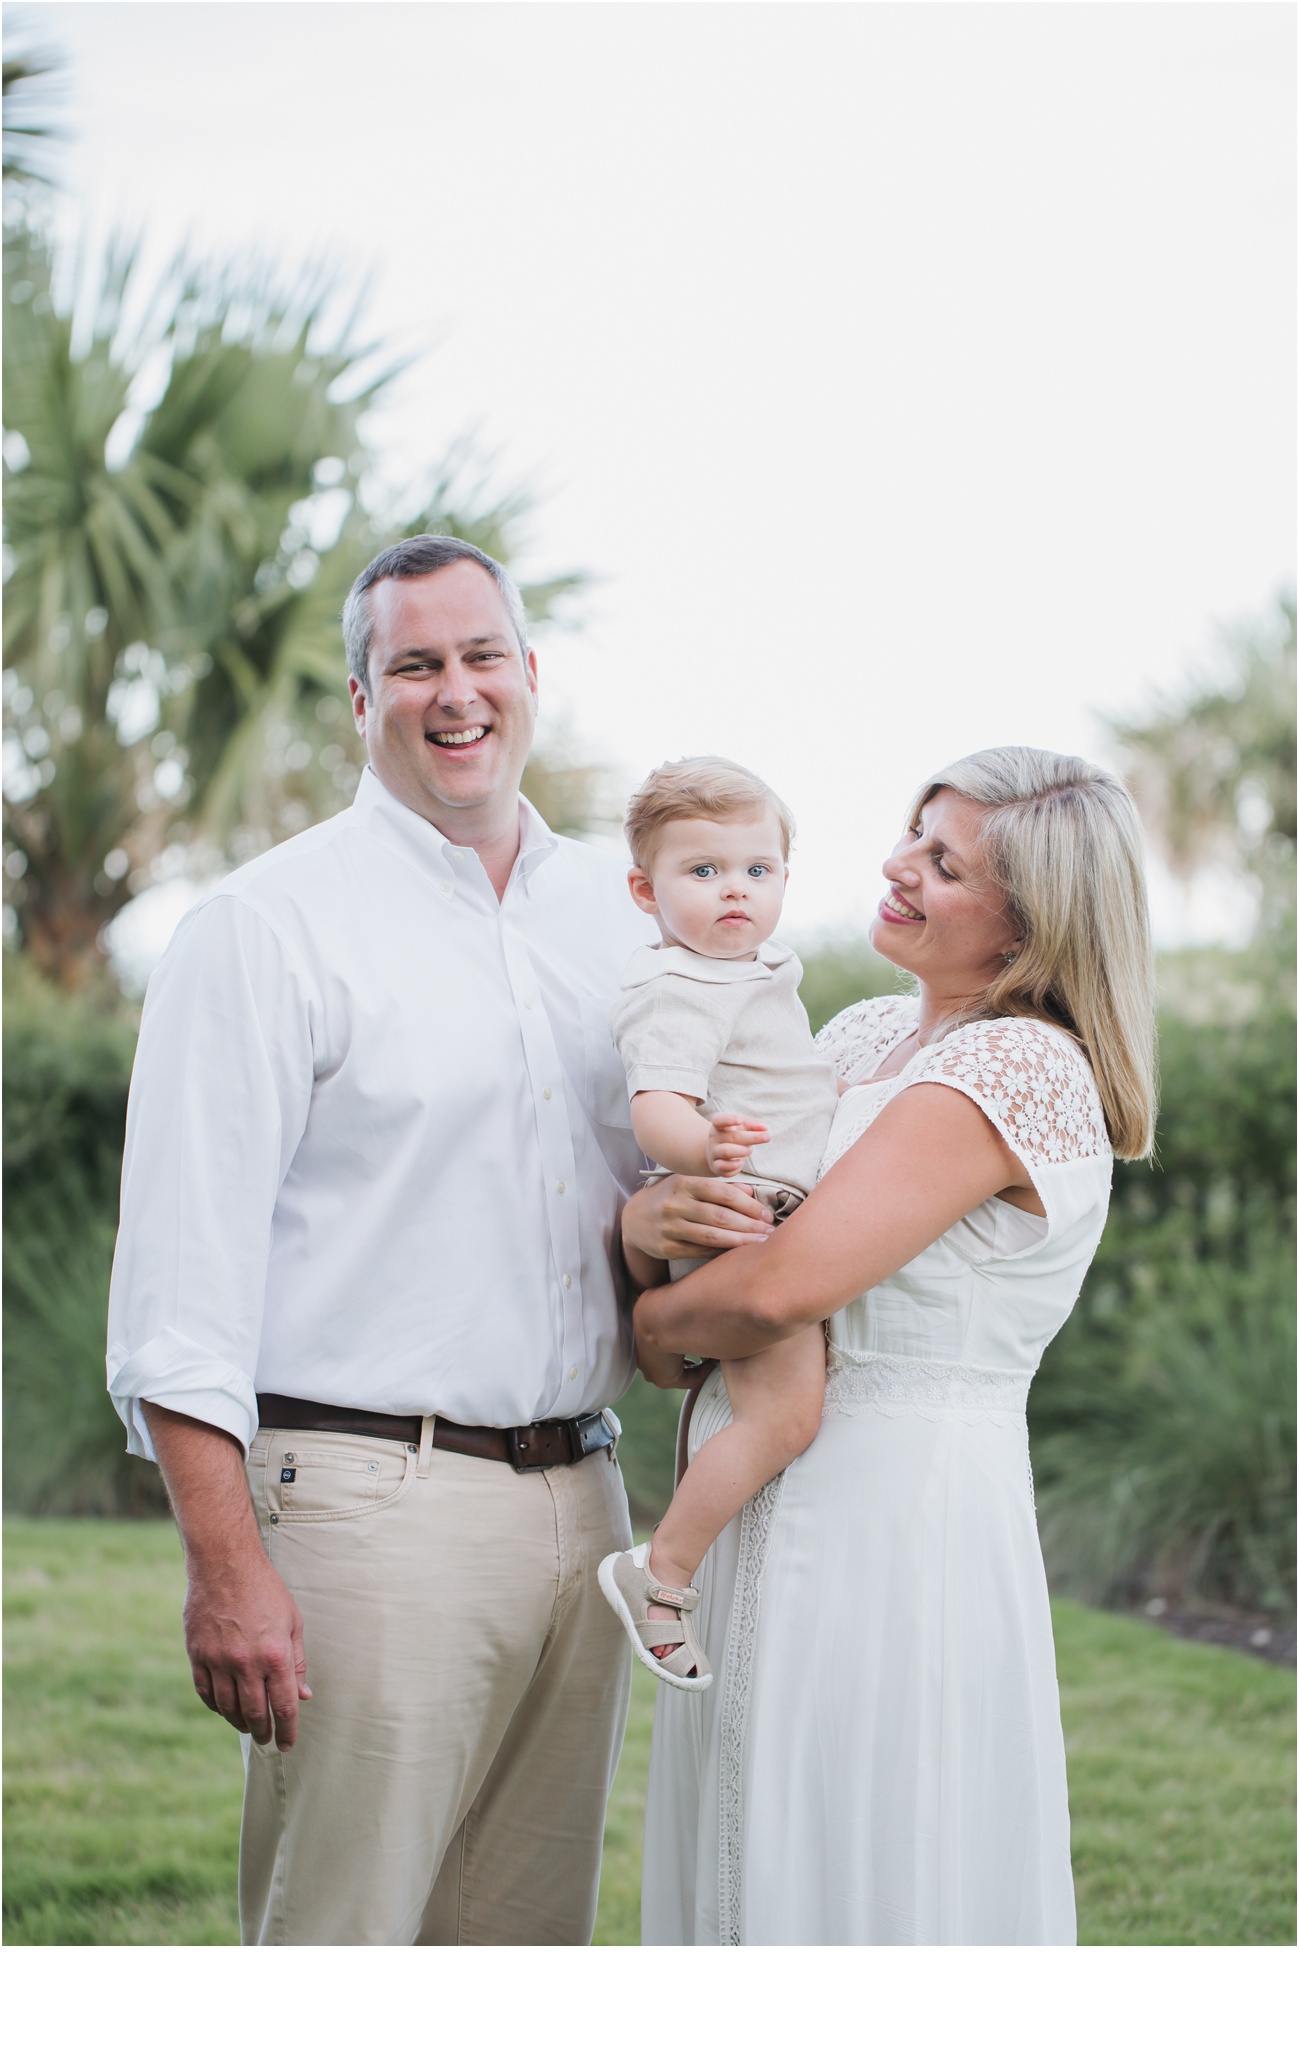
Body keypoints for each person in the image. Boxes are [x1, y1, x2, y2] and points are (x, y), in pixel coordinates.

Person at [105, 535, 655, 1946]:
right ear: (361, 700)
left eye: (481, 657)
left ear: (529, 678)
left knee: (523, 1952)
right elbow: (182, 1289)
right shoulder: (265, 929)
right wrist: (226, 1570)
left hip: (581, 1499)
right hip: (363, 1500)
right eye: (413, 665)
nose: (453, 692)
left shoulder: (619, 917)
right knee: (341, 1951)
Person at [624, 746, 1157, 1945]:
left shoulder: (1018, 1064)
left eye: (943, 861)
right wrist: (644, 1227)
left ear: (1028, 927)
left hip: (892, 1515)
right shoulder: (860, 1033)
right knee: (739, 1840)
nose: (895, 866)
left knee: (864, 1844)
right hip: (749, 1484)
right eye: (913, 835)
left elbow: (777, 1289)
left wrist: (656, 1318)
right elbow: (711, 1222)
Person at [598, 757, 839, 1691]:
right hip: (740, 1209)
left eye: (755, 870)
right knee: (784, 1414)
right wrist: (703, 1146)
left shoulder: (748, 971)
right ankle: (660, 1576)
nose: (732, 890)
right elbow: (656, 1106)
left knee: (754, 1398)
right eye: (701, 872)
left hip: (753, 1205)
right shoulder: (677, 985)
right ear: (642, 889)